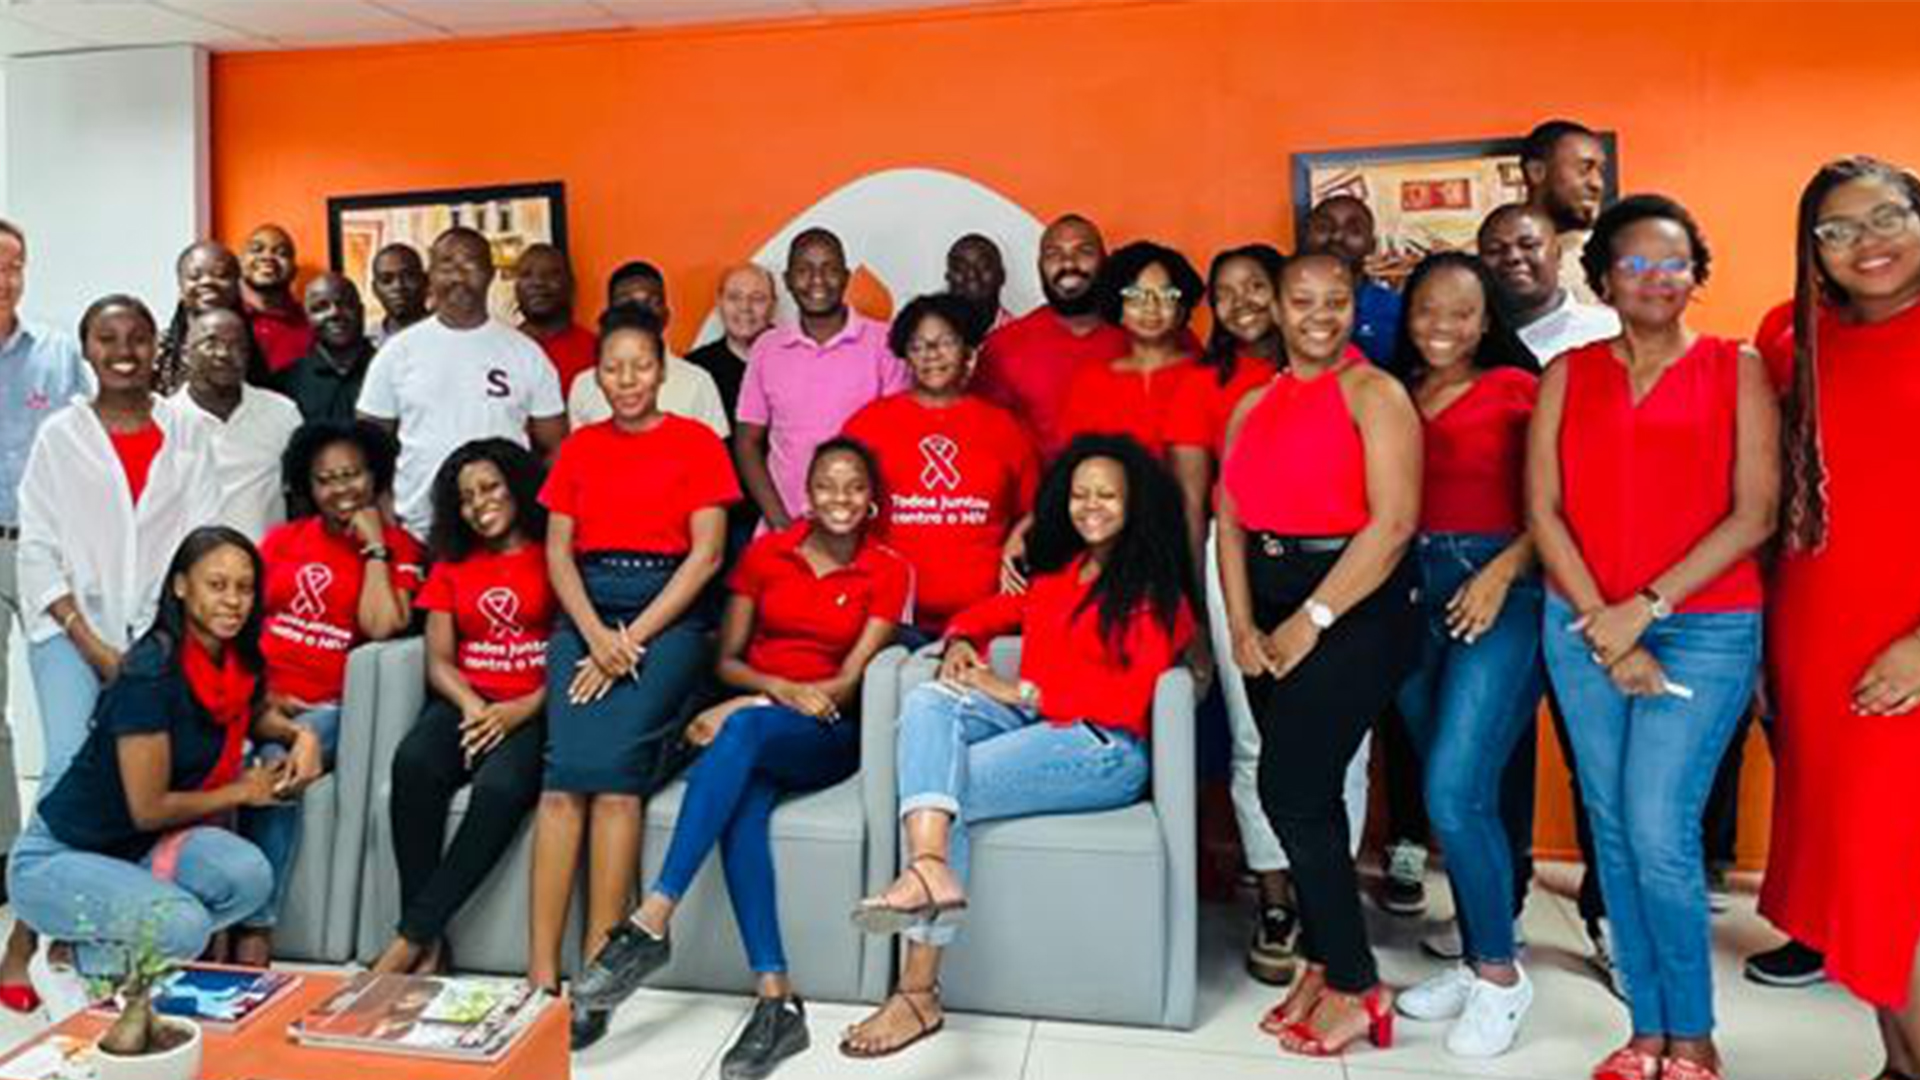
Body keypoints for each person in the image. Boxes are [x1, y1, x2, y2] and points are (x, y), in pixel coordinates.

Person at [1528, 194, 1777, 1080]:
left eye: (1673, 263)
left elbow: (1754, 514)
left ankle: (1694, 1034)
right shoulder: (1568, 373)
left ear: (1696, 276)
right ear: (1603, 279)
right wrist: (1605, 620)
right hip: (1582, 623)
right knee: (1615, 829)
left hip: (1703, 629)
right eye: (1634, 263)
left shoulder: (1735, 367)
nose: (1655, 278)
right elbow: (1543, 510)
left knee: (1659, 826)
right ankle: (1644, 1032)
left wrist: (1647, 609)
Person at [841, 433, 1193, 1059]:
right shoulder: (1059, 578)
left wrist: (1012, 688)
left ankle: (917, 989)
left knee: (944, 790)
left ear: (1134, 503)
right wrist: (958, 641)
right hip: (1040, 728)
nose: (1091, 506)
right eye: (1081, 494)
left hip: (1102, 748)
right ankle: (929, 867)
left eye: (1107, 495)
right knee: (926, 701)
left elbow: (1123, 697)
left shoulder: (1154, 590)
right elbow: (994, 611)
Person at [572, 438, 910, 1078]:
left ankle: (650, 923)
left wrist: (748, 708)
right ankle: (777, 1002)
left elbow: (847, 682)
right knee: (743, 813)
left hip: (826, 732)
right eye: (826, 486)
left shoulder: (888, 568)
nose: (839, 497)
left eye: (854, 487)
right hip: (762, 718)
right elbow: (725, 658)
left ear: (871, 502)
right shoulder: (766, 555)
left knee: (740, 738)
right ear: (806, 495)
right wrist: (765, 694)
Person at [1217, 252, 1421, 1058]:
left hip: (1355, 605)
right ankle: (1321, 957)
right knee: (1306, 796)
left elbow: (1394, 523)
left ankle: (1357, 982)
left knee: (1290, 788)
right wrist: (1239, 622)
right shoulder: (1252, 405)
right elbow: (1229, 520)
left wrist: (1314, 617)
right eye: (1301, 300)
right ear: (1275, 305)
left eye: (1336, 301)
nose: (1318, 315)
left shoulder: (1377, 393)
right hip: (1267, 604)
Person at [529, 303, 737, 1050]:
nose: (626, 380)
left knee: (615, 783)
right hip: (586, 612)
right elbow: (558, 553)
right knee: (561, 784)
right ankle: (537, 974)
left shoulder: (695, 442)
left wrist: (630, 642)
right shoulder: (580, 448)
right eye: (612, 368)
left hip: (668, 620)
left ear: (664, 368)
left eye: (640, 366)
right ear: (596, 374)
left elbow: (706, 556)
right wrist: (593, 636)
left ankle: (596, 976)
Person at [1759, 156, 1920, 1080]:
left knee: (1899, 880)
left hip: (1905, 646)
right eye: (1838, 229)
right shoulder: (1794, 340)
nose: (1868, 243)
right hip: (1819, 636)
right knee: (1857, 878)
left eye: (1888, 217)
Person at [1166, 244, 1366, 987]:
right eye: (1227, 292)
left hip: (1338, 564)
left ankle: (1329, 901)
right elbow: (1198, 506)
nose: (1243, 301)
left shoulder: (1352, 377)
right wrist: (1199, 603)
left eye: (1257, 286)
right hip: (1238, 562)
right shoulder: (1208, 385)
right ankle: (1277, 898)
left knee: (1342, 739)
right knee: (1257, 737)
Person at [5, 528, 282, 1012]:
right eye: (217, 585)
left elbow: (251, 710)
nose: (233, 601)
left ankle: (120, 940)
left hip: (134, 850)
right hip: (57, 858)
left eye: (244, 587)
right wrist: (241, 791)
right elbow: (150, 808)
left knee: (250, 876)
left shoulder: (232, 663)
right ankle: (66, 955)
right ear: (180, 587)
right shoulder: (151, 672)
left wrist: (299, 738)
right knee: (184, 927)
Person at [1384, 253, 1543, 1058]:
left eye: (1460, 313)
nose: (1441, 326)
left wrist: (1503, 572)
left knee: (1455, 788)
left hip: (1499, 592)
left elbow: (1559, 502)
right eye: (1426, 311)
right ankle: (1486, 945)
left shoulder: (1523, 390)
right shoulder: (1396, 393)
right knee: (1456, 788)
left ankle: (1501, 978)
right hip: (1410, 593)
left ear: (1488, 322)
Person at [239, 419, 422, 964]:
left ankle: (255, 929)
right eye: (326, 479)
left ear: (375, 475)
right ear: (307, 486)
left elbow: (384, 625)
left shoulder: (403, 548)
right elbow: (244, 626)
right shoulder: (282, 542)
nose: (341, 489)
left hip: (333, 709)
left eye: (353, 475)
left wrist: (373, 550)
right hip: (263, 697)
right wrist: (259, 695)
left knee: (277, 765)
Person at [369, 439, 550, 977]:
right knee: (414, 764)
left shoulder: (551, 554)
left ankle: (410, 937)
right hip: (468, 701)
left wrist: (518, 711)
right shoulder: (452, 565)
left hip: (534, 708)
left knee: (499, 788)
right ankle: (432, 945)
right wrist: (473, 705)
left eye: (490, 487)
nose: (479, 504)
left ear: (516, 487)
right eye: (466, 497)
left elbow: (568, 653)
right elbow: (438, 660)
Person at [0, 218, 90, 1012]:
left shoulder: (58, 354)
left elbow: (89, 450)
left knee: (65, 735)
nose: (5, 277)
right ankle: (7, 853)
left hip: (44, 553)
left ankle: (38, 894)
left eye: (14, 265)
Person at [844, 293, 1038, 635]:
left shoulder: (1004, 428)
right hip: (889, 622)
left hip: (985, 619)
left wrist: (1019, 536)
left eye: (945, 342)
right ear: (906, 356)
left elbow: (1036, 509)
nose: (931, 354)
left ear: (969, 351)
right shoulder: (870, 424)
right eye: (918, 345)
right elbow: (838, 509)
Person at [357, 226, 567, 542]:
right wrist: (385, 509)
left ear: (490, 274)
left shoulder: (525, 352)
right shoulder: (398, 352)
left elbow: (556, 447)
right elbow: (367, 446)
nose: (458, 274)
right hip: (419, 530)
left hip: (506, 532)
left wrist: (529, 506)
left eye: (470, 263)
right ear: (430, 275)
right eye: (447, 264)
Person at [735, 228, 907, 530]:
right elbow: (747, 442)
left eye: (829, 269)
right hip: (785, 528)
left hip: (862, 530)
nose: (817, 280)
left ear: (846, 276)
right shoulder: (767, 347)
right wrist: (780, 523)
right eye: (804, 270)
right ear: (787, 280)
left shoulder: (884, 341)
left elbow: (898, 439)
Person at [974, 214, 1127, 459]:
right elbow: (985, 445)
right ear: (1039, 266)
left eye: (1084, 251)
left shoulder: (1144, 338)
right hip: (1038, 496)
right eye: (1054, 254)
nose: (1068, 263)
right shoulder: (1004, 346)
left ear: (1105, 261)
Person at [173, 308, 303, 541]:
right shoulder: (164, 421)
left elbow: (302, 496)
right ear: (185, 353)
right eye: (210, 343)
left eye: (236, 345)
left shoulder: (282, 413)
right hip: (192, 570)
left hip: (268, 566)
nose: (223, 353)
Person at [563, 260, 730, 439]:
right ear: (609, 313)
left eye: (651, 302)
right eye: (627, 302)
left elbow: (715, 454)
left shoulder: (698, 381)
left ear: (666, 314)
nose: (640, 311)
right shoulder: (584, 385)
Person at [1479, 203, 1620, 364]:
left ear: (1558, 255)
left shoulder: (1610, 331)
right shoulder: (1467, 342)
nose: (1513, 257)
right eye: (1494, 250)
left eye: (1529, 245)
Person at [1302, 196, 1404, 369]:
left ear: (1371, 245)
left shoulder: (1396, 310)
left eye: (1354, 230)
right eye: (1323, 228)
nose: (1337, 236)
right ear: (1305, 237)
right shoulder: (1285, 307)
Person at [1522, 119, 1610, 306]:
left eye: (1600, 171)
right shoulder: (1483, 264)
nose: (1598, 184)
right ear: (1537, 172)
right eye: (1584, 169)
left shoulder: (1613, 259)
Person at [276, 273, 377, 425]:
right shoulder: (286, 383)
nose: (334, 313)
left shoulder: (389, 369)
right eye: (320, 308)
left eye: (344, 304)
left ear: (361, 311)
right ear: (307, 318)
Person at [685, 262, 777, 419]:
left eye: (757, 298)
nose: (745, 307)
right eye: (734, 297)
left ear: (773, 306)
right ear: (719, 302)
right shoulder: (695, 368)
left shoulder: (796, 359)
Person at [156, 240, 244, 393]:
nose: (207, 282)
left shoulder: (257, 346)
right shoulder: (158, 350)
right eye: (195, 277)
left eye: (221, 275)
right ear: (180, 286)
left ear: (237, 285)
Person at [514, 243, 598, 394]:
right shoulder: (502, 348)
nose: (537, 282)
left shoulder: (596, 350)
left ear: (571, 284)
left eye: (551, 274)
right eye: (526, 274)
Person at [240, 224, 314, 377]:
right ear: (240, 263)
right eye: (256, 249)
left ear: (294, 270)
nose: (267, 257)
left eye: (281, 253)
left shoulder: (312, 322)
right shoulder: (222, 316)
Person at [945, 233, 1014, 337]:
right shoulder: (932, 334)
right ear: (948, 277)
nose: (971, 275)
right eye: (960, 267)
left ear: (1002, 275)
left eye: (983, 266)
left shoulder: (1020, 335)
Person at [370, 243, 429, 346]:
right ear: (375, 289)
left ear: (425, 281)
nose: (398, 286)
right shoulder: (368, 341)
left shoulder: (449, 334)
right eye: (386, 280)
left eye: (408, 277)